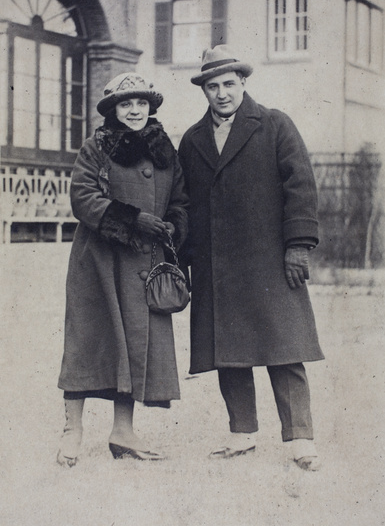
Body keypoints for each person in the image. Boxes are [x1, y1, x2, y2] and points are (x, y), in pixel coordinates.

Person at [178, 45, 324, 470]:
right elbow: (184, 203)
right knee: (229, 349)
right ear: (204, 91)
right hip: (215, 264)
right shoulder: (192, 139)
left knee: (284, 346)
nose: (221, 93)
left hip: (269, 260)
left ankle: (300, 441)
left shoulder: (275, 125)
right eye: (212, 86)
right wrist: (186, 262)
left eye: (228, 83)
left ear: (243, 83)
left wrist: (298, 245)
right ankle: (242, 434)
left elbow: (301, 187)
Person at [57, 72, 188, 467]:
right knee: (88, 340)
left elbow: (180, 199)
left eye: (142, 103)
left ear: (151, 107)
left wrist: (173, 225)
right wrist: (130, 220)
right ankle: (72, 430)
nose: (135, 110)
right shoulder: (97, 146)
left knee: (132, 343)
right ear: (113, 109)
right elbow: (82, 197)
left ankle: (123, 432)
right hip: (98, 261)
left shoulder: (166, 151)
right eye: (127, 103)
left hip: (145, 262)